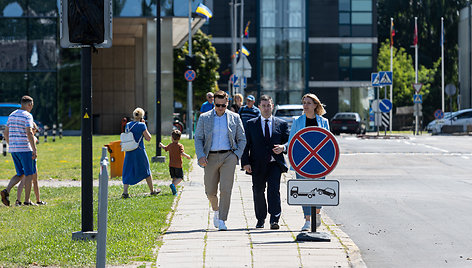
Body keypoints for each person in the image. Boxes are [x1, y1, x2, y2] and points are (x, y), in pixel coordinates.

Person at [194, 90, 246, 231]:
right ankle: (216, 210)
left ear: (227, 103)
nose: (220, 108)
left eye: (223, 105)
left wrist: (236, 156)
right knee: (210, 191)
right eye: (218, 105)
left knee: (226, 189)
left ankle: (222, 219)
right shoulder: (205, 118)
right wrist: (200, 155)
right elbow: (198, 138)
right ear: (214, 103)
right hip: (210, 157)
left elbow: (242, 139)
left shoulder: (235, 117)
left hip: (228, 156)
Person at [241, 95, 289, 230]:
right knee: (258, 191)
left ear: (272, 106)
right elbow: (246, 145)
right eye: (264, 106)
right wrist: (245, 162)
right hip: (257, 164)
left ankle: (274, 219)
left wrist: (283, 147)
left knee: (274, 191)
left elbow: (288, 141)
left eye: (268, 105)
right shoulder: (251, 124)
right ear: (259, 107)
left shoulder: (281, 124)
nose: (266, 108)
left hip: (275, 163)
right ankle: (260, 219)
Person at [288, 93, 330, 231]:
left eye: (308, 103)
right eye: (304, 102)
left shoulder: (324, 122)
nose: (305, 105)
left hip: (319, 163)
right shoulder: (297, 121)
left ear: (315, 105)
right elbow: (292, 142)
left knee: (319, 190)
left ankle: (317, 215)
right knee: (304, 191)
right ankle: (307, 220)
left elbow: (328, 143)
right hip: (302, 163)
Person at [1, 96, 37, 207]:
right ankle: (27, 201)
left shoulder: (11, 115)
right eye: (32, 105)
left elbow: (5, 133)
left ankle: (6, 191)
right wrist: (34, 149)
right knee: (29, 174)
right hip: (25, 149)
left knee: (20, 174)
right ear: (29, 104)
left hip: (14, 149)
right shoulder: (27, 116)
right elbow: (29, 133)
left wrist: (11, 145)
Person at [121, 107, 161, 198]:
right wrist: (144, 126)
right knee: (146, 169)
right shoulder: (142, 125)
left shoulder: (128, 125)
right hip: (139, 150)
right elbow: (148, 138)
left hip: (129, 150)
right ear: (142, 116)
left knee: (128, 169)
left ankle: (125, 192)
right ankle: (152, 190)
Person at [16, 122, 47, 206]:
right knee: (29, 180)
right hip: (31, 160)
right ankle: (35, 200)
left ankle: (20, 200)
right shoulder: (32, 137)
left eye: (34, 129)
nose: (34, 131)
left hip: (29, 160)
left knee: (28, 180)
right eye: (33, 129)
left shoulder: (24, 138)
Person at [159, 129, 191, 196]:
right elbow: (182, 153)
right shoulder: (180, 146)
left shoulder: (170, 145)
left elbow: (165, 148)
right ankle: (173, 185)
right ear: (179, 138)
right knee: (180, 178)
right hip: (178, 165)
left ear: (172, 138)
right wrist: (187, 156)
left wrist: (161, 145)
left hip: (171, 165)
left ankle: (174, 191)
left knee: (174, 178)